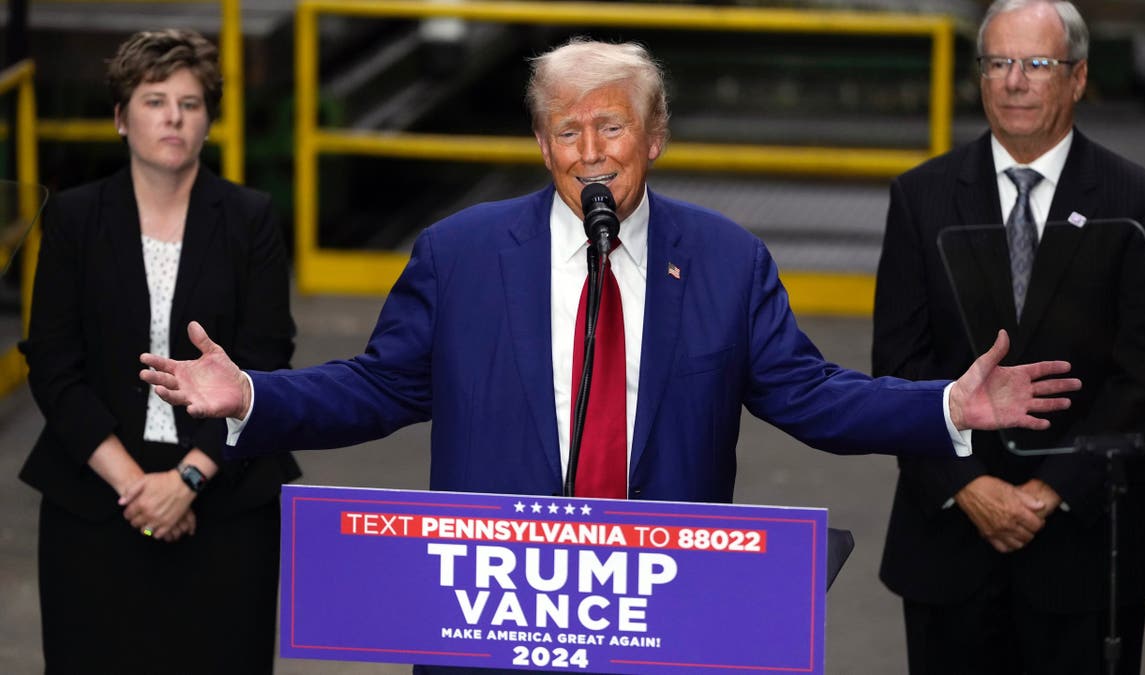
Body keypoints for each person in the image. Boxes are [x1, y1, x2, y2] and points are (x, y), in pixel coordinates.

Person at [142, 38, 1078, 675]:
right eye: (567, 130)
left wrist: (946, 407)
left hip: (656, 615)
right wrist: (254, 395)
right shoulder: (460, 256)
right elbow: (379, 385)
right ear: (540, 143)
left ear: (655, 137)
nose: (591, 153)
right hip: (494, 615)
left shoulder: (724, 260)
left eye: (612, 127)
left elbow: (811, 395)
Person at [872, 2, 1145, 674]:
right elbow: (897, 366)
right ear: (979, 77)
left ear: (1077, 78)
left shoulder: (1139, 202)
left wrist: (1048, 490)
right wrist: (969, 484)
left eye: (1036, 64)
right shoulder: (920, 199)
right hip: (948, 545)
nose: (1014, 81)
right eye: (997, 63)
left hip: (1086, 548)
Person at [19, 29, 299, 674]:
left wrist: (188, 479)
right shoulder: (73, 219)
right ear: (121, 118)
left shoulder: (251, 218)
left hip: (224, 493)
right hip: (94, 493)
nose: (173, 116)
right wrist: (138, 489)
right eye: (153, 100)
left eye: (190, 102)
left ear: (208, 121)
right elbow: (55, 365)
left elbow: (267, 358)